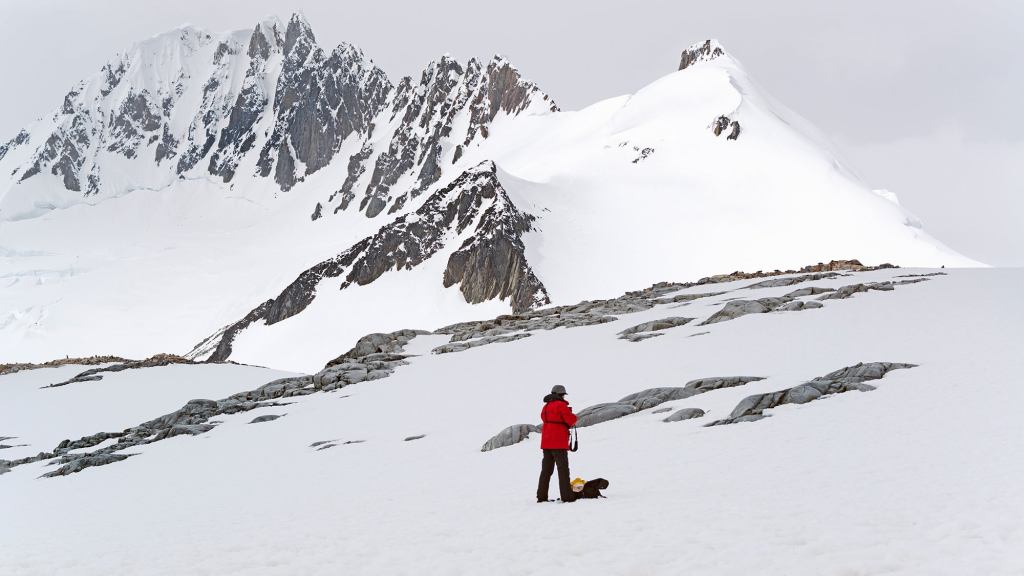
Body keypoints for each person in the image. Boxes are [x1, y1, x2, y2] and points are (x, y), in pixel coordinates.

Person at [536, 384, 578, 503]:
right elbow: (571, 420)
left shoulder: (546, 406)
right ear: (561, 394)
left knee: (546, 470)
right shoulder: (561, 405)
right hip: (558, 442)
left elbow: (544, 419)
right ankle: (567, 497)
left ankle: (541, 496)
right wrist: (573, 415)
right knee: (563, 469)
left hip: (546, 442)